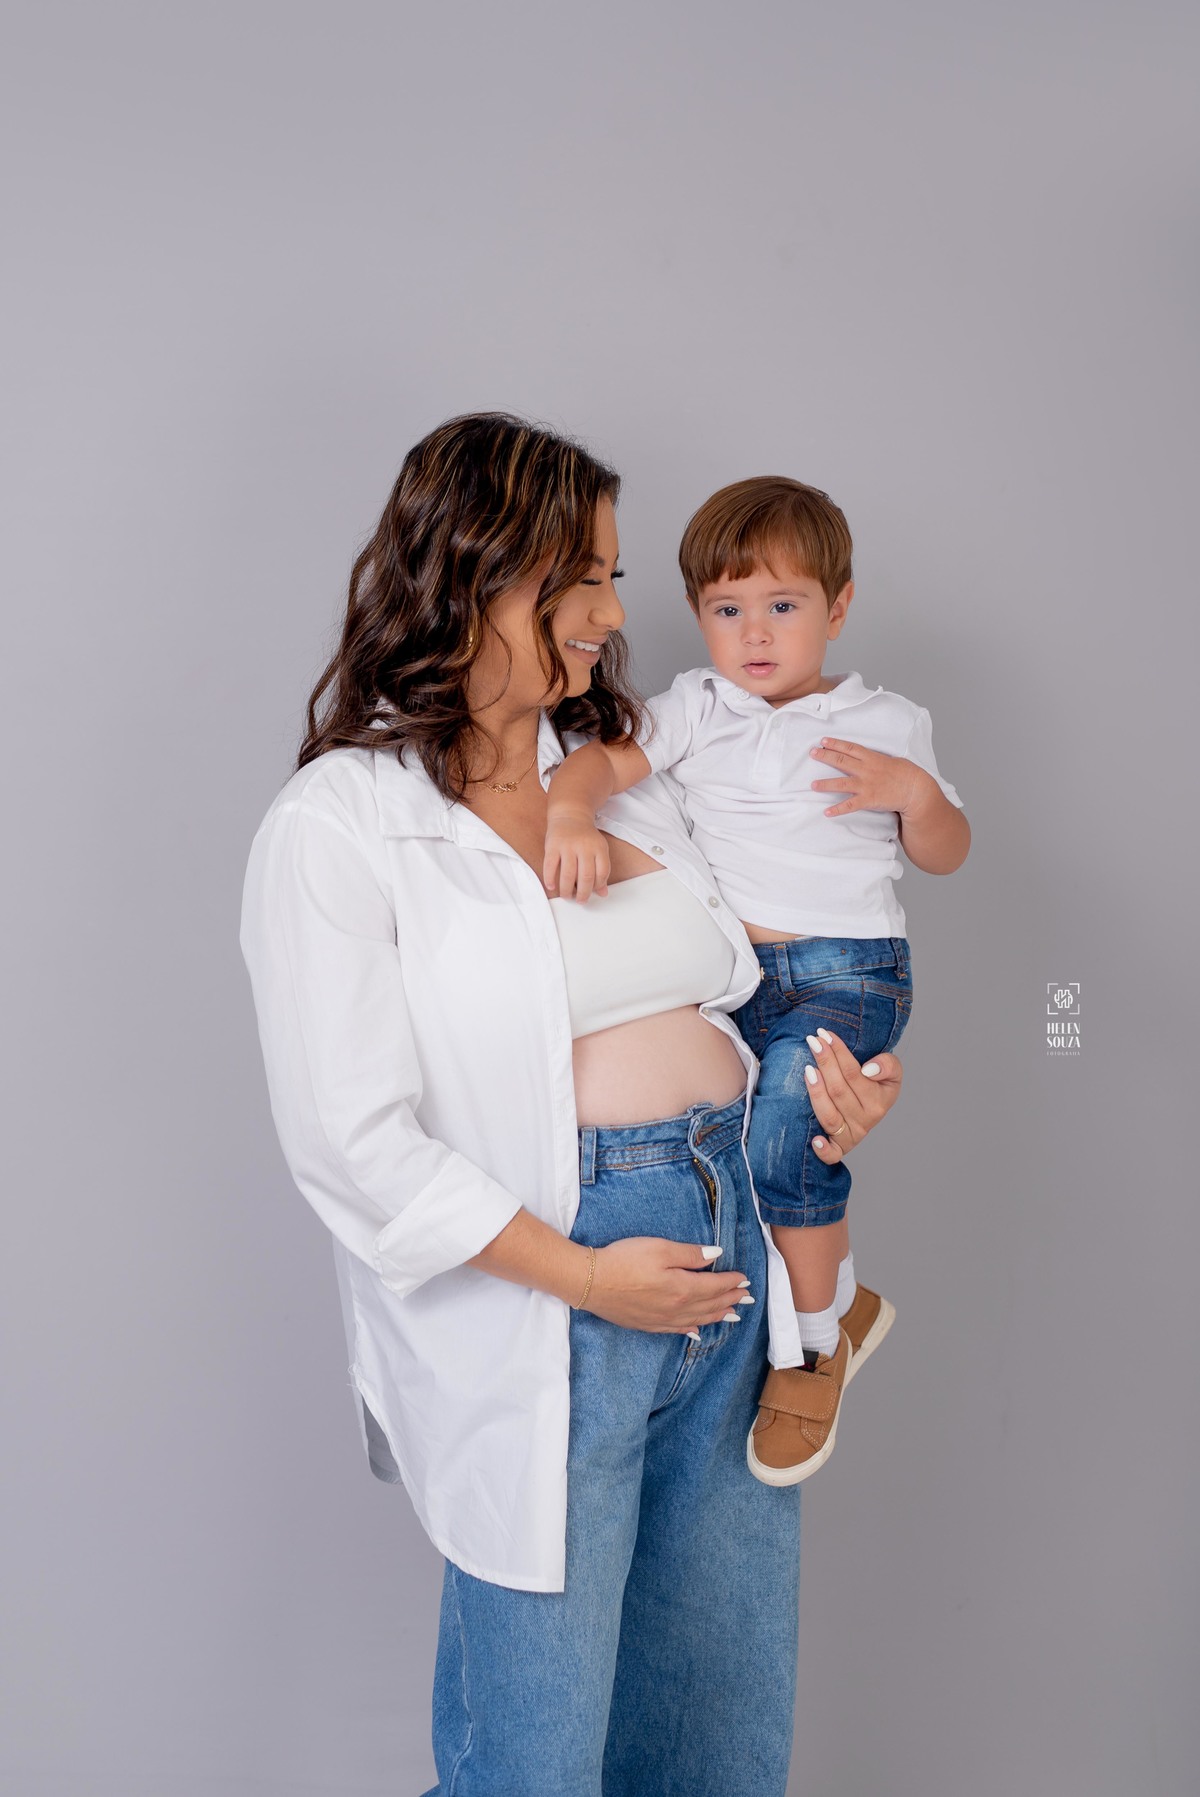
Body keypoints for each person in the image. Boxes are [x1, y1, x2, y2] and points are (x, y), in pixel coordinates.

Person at [239, 414, 903, 1796]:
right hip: (557, 1281)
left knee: (714, 1736)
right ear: (473, 575)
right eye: (578, 578)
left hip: (732, 1255)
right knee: (533, 1761)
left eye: (611, 575)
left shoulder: (633, 777)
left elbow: (754, 983)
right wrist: (590, 1277)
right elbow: (352, 1143)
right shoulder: (344, 822)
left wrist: (828, 1093)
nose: (611, 613)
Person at [545, 475, 969, 1487]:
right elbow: (601, 767)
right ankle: (841, 1304)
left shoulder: (887, 720)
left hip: (846, 970)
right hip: (739, 982)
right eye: (727, 610)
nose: (756, 634)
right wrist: (567, 812)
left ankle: (813, 1350)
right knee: (742, 1150)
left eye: (783, 605)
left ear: (839, 606)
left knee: (787, 1134)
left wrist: (914, 795)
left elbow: (947, 852)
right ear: (700, 617)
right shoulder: (699, 707)